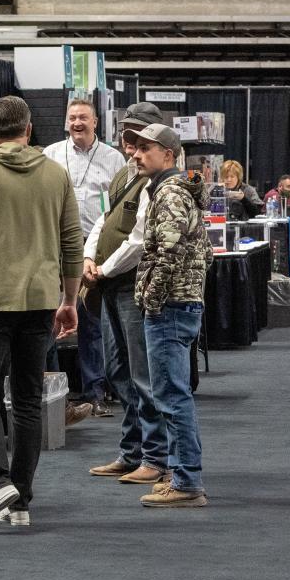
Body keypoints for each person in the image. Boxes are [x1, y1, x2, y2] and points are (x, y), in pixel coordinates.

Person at [0, 96, 83, 533]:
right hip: (41, 300)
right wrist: (69, 300)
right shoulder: (56, 174)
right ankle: (20, 500)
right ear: (29, 130)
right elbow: (72, 243)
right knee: (27, 399)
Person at [83, 103, 170, 485]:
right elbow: (103, 220)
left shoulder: (157, 181)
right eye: (125, 135)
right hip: (110, 285)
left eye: (136, 136)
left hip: (132, 286)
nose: (128, 142)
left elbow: (138, 241)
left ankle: (154, 457)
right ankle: (132, 452)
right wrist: (88, 256)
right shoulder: (123, 175)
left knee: (142, 375)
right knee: (118, 372)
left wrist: (102, 268)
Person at [131, 124, 213, 508]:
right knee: (172, 393)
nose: (135, 154)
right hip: (182, 303)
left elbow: (168, 252)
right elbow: (205, 253)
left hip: (170, 308)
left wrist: (152, 297)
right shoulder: (180, 192)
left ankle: (186, 481)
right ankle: (183, 474)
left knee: (171, 395)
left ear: (168, 154)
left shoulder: (170, 194)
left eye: (145, 148)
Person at [43, 98, 126, 417]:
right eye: (72, 117)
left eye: (83, 118)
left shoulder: (113, 158)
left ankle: (96, 391)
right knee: (51, 320)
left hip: (93, 249)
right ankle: (55, 396)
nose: (77, 123)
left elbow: (118, 207)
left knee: (92, 322)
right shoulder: (50, 154)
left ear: (95, 123)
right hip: (55, 246)